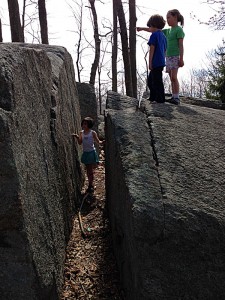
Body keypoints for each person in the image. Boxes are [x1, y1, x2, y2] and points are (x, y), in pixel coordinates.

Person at [137, 14, 167, 104]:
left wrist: (150, 63)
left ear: (153, 25)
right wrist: (142, 28)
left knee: (157, 81)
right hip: (161, 62)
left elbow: (152, 50)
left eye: (150, 26)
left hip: (155, 62)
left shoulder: (154, 36)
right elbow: (165, 50)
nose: (149, 29)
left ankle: (160, 99)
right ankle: (153, 97)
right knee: (151, 81)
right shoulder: (163, 36)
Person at [72, 117, 104, 193]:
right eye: (83, 123)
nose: (83, 125)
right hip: (86, 153)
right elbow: (80, 142)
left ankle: (90, 184)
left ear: (89, 125)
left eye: (85, 124)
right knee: (89, 169)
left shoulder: (92, 133)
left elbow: (98, 142)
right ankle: (90, 183)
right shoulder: (81, 133)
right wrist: (77, 137)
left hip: (91, 152)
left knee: (89, 170)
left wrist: (102, 143)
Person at [162, 9, 185, 105]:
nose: (167, 20)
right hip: (168, 56)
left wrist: (181, 58)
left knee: (174, 77)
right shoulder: (168, 30)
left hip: (175, 56)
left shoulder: (179, 29)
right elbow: (155, 30)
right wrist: (142, 28)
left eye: (168, 17)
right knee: (171, 77)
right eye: (166, 18)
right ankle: (173, 96)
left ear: (175, 17)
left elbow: (181, 45)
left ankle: (176, 98)